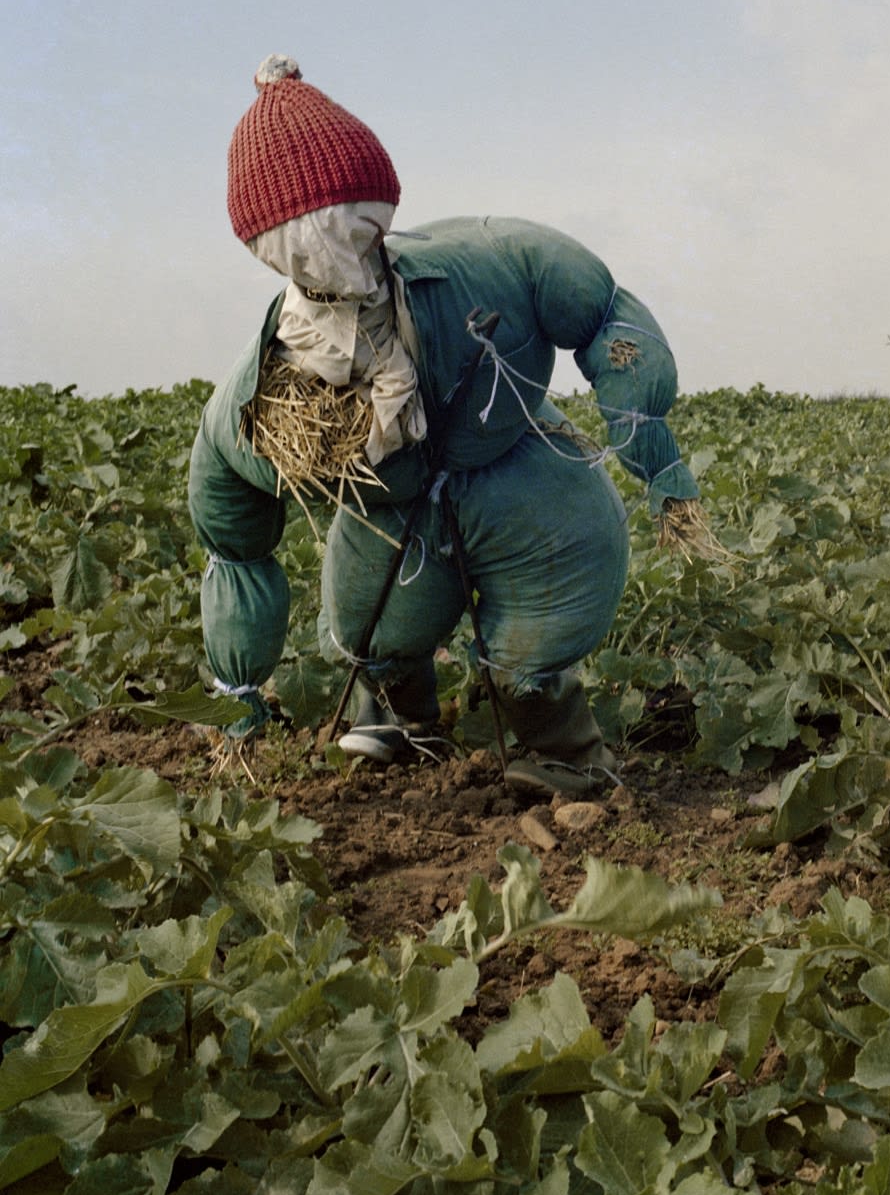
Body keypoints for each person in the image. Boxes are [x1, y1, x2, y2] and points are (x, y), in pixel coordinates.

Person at [189, 55, 703, 796]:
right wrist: (237, 685)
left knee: (541, 627)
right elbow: (231, 535)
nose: (346, 251)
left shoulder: (486, 263)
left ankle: (560, 750)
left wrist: (657, 458)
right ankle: (402, 722)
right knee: (376, 633)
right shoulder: (265, 390)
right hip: (397, 522)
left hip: (523, 471)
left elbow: (597, 307)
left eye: (361, 230)